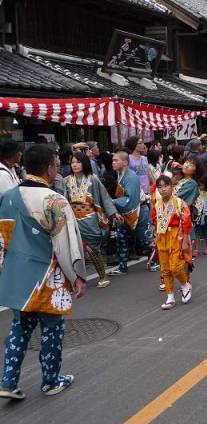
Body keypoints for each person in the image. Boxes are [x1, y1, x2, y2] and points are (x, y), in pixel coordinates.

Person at [0, 144, 87, 400]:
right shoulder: (54, 200)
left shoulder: (9, 197)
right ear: (50, 167)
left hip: (18, 274)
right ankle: (50, 380)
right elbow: (65, 244)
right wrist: (77, 277)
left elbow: (3, 239)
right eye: (56, 162)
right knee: (52, 328)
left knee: (19, 328)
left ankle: (8, 381)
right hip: (47, 275)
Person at [64, 152, 119, 288]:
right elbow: (64, 200)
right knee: (72, 249)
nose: (75, 165)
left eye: (78, 162)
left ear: (84, 163)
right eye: (72, 162)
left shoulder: (93, 178)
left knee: (92, 248)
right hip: (73, 217)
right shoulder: (66, 180)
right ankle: (74, 281)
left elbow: (104, 196)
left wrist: (113, 213)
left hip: (90, 218)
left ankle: (103, 275)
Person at [151, 175, 193, 310]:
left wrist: (186, 240)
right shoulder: (156, 205)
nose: (163, 189)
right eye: (160, 187)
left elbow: (187, 222)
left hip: (177, 236)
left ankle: (185, 284)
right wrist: (154, 237)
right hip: (162, 237)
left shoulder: (179, 203)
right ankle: (170, 297)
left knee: (175, 266)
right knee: (165, 268)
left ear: (172, 187)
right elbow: (154, 222)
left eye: (166, 186)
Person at [107, 151, 148, 276]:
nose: (113, 162)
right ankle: (122, 266)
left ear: (125, 162)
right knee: (121, 240)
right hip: (124, 213)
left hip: (138, 212)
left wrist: (112, 201)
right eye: (113, 160)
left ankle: (155, 261)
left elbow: (129, 200)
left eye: (116, 160)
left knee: (146, 240)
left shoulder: (130, 177)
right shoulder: (121, 174)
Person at [191, 177, 207, 257]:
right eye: (199, 185)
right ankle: (196, 249)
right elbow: (194, 200)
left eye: (202, 185)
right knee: (197, 233)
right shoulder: (198, 192)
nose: (200, 187)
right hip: (198, 216)